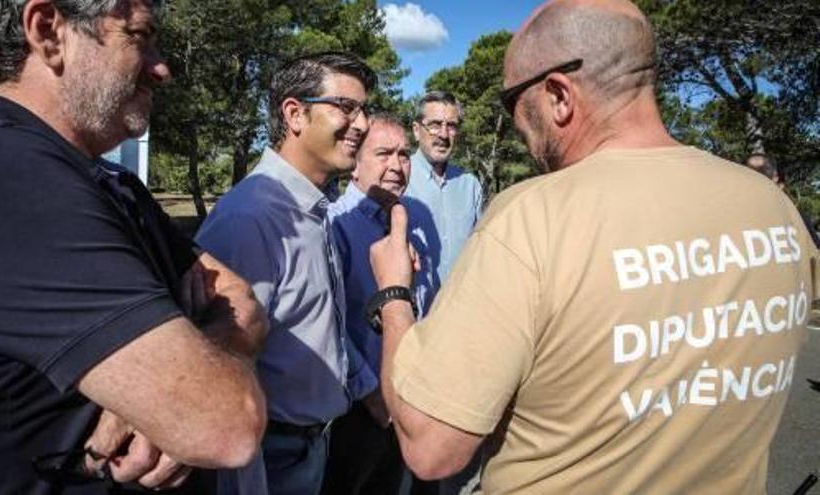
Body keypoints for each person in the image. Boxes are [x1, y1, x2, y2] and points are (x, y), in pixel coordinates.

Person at [368, 0, 816, 493]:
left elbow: (431, 446)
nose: (516, 128)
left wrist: (394, 295)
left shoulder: (532, 218)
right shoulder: (774, 208)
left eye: (512, 103)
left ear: (558, 95)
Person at [0, 1, 268, 494]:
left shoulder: (108, 181)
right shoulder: (6, 178)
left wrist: (168, 392)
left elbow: (242, 301)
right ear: (48, 32)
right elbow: (226, 425)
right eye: (139, 36)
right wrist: (183, 393)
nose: (161, 68)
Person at [195, 52, 378, 495]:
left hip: (310, 448)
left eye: (365, 110)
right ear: (295, 114)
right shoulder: (251, 219)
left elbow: (319, 325)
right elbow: (220, 367)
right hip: (269, 459)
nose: (363, 124)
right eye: (346, 107)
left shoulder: (312, 208)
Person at [322, 114, 440, 495]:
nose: (397, 165)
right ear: (355, 164)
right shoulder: (335, 225)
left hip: (410, 396)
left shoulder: (408, 220)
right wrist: (372, 394)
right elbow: (329, 324)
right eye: (383, 153)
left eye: (404, 154)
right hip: (362, 409)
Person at [405, 91, 483, 283]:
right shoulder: (398, 180)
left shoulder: (470, 185)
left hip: (462, 298)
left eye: (451, 126)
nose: (443, 134)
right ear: (416, 130)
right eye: (434, 125)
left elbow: (479, 250)